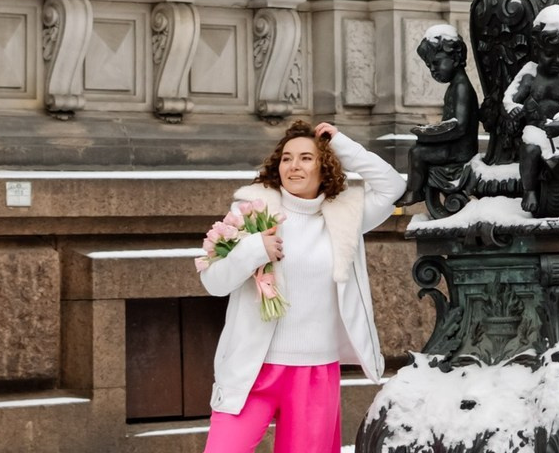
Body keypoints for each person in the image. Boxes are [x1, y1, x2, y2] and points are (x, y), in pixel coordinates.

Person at [196, 119, 405, 453]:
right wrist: (253, 250)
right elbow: (213, 282)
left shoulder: (345, 215)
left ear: (325, 165)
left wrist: (341, 143)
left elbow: (391, 186)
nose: (294, 166)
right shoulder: (250, 214)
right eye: (287, 158)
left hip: (314, 374)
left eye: (306, 157)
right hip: (253, 368)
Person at [504, 5, 559, 216]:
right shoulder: (530, 75)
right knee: (530, 151)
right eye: (550, 54)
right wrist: (514, 109)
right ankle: (530, 190)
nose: (557, 61)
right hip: (535, 131)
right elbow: (510, 98)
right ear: (537, 50)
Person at [397, 24, 479, 209]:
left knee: (417, 153)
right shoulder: (455, 86)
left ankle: (414, 192)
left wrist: (429, 135)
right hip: (454, 146)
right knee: (420, 147)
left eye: (436, 63)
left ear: (455, 58)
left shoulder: (461, 87)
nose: (433, 70)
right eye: (429, 66)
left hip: (459, 151)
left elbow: (459, 126)